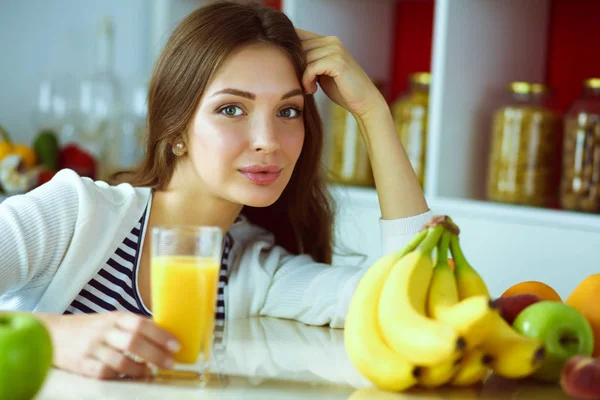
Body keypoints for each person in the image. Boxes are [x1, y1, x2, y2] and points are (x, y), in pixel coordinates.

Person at [0, 0, 431, 381]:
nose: (268, 140)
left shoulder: (256, 274)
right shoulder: (76, 211)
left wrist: (372, 111)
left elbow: (413, 304)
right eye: (231, 109)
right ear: (177, 131)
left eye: (288, 110)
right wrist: (53, 336)